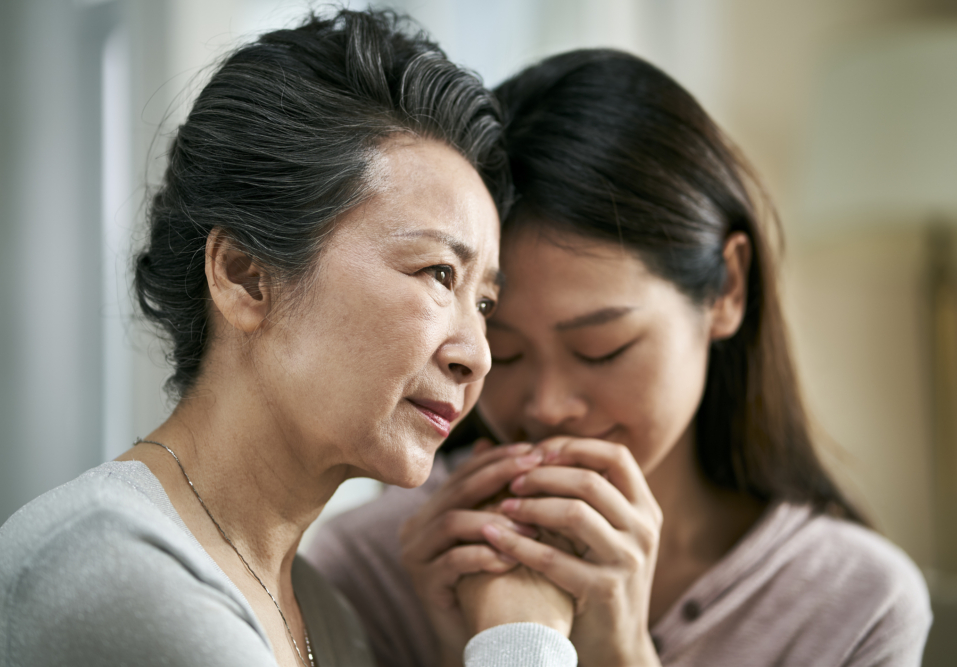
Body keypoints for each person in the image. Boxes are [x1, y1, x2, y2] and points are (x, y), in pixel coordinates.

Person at [0, 10, 577, 667]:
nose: (476, 353)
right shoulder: (113, 570)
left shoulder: (322, 612)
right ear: (244, 277)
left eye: (484, 302)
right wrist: (523, 638)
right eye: (437, 274)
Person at [308, 49, 933, 667]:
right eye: (508, 350)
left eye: (601, 349)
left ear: (727, 289)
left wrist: (622, 655)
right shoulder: (364, 567)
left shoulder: (856, 605)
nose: (547, 405)